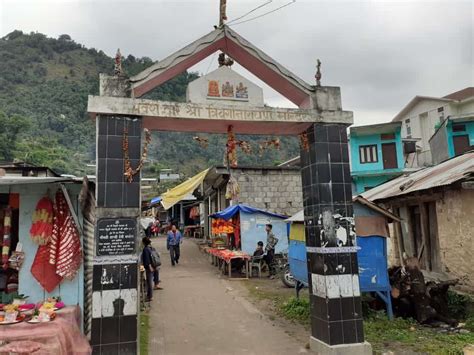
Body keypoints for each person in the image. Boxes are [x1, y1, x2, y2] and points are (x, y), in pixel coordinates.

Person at [141, 237, 162, 302]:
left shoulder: (145, 249)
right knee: (152, 279)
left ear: (143, 242)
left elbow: (147, 259)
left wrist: (149, 267)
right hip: (155, 265)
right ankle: (156, 285)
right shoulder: (152, 248)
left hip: (150, 267)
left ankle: (149, 296)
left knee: (149, 282)